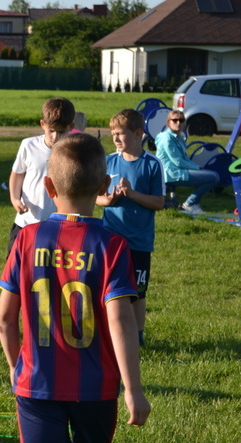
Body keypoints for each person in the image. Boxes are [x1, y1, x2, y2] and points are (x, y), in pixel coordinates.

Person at [0, 134, 151, 443]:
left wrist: (13, 366)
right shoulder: (112, 245)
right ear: (105, 183)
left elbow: (4, 318)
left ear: (47, 185)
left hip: (36, 382)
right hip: (95, 386)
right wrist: (133, 389)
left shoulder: (26, 238)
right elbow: (121, 318)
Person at [97, 109, 165, 348]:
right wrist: (110, 199)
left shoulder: (152, 164)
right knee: (110, 288)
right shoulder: (109, 162)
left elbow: (159, 202)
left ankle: (137, 334)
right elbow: (97, 197)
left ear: (138, 134)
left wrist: (132, 194)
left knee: (138, 291)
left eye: (121, 134)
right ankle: (108, 331)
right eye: (113, 133)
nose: (115, 138)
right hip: (111, 239)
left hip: (139, 241)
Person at [7, 97, 76, 255]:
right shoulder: (28, 145)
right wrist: (15, 199)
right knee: (14, 269)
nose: (55, 137)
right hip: (26, 222)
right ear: (43, 124)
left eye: (61, 132)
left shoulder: (75, 152)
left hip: (60, 225)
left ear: (71, 127)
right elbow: (17, 174)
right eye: (51, 131)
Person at [155, 110, 220, 214]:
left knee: (212, 176)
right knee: (213, 177)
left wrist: (198, 169)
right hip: (171, 174)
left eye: (181, 120)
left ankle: (191, 203)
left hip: (178, 171)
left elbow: (185, 159)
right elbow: (178, 162)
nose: (178, 123)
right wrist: (198, 168)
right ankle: (190, 204)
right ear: (168, 123)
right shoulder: (167, 138)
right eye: (175, 120)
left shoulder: (179, 137)